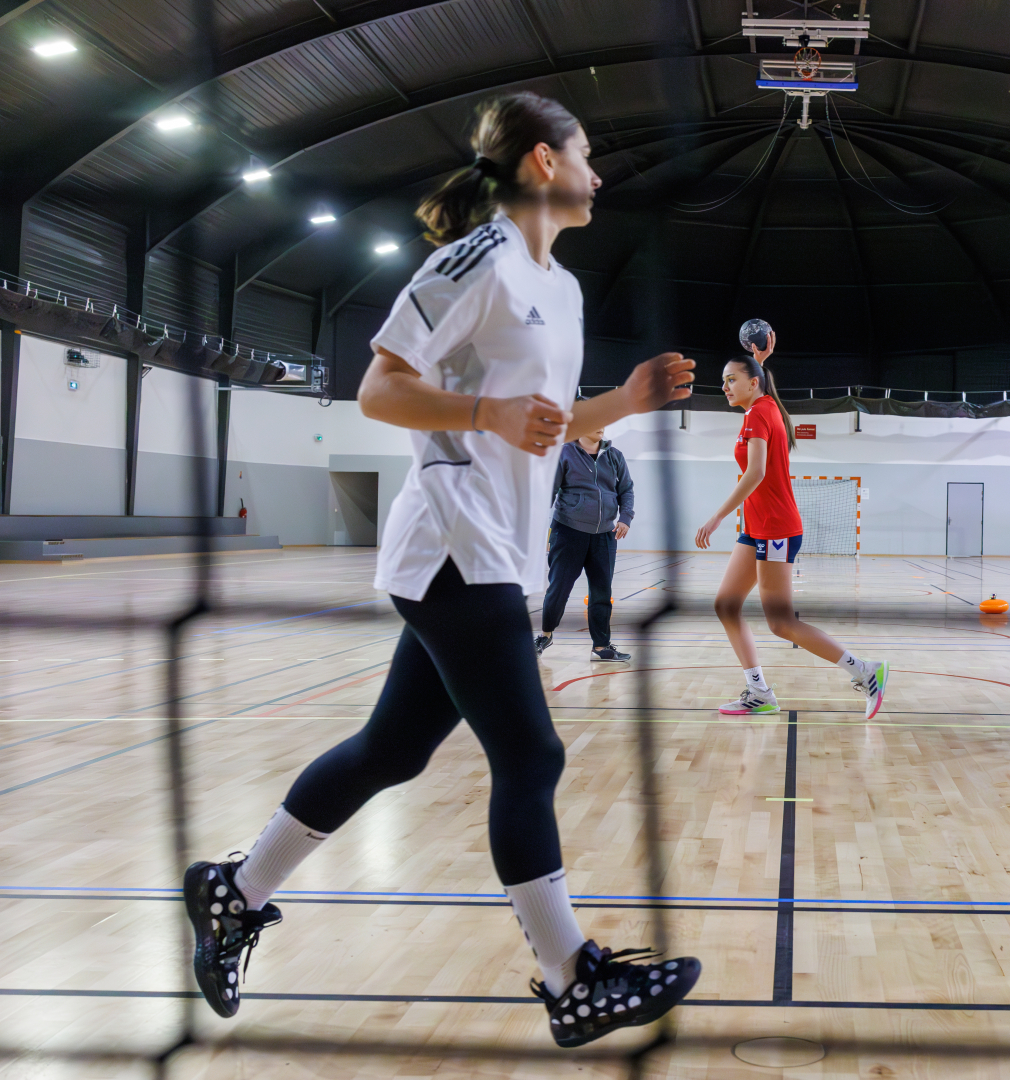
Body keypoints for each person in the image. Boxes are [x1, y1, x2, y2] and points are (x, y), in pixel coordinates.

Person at [182, 92, 703, 1047]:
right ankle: (568, 977)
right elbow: (380, 387)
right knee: (532, 756)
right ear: (543, 163)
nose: (601, 172)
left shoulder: (564, 288)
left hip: (500, 541)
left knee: (392, 750)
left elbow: (548, 427)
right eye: (587, 152)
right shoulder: (476, 260)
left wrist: (620, 402)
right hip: (454, 542)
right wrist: (483, 416)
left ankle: (235, 890)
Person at [694, 333, 889, 719]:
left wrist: (716, 516)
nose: (724, 386)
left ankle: (865, 672)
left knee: (780, 622)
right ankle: (758, 691)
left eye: (732, 379)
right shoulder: (764, 408)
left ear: (753, 384)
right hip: (758, 526)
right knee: (726, 605)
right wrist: (760, 362)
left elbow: (756, 472)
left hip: (776, 529)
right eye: (722, 380)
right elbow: (759, 398)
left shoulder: (759, 413)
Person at [535, 425, 634, 662]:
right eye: (596, 420)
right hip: (568, 531)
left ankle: (601, 647)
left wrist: (625, 519)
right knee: (559, 589)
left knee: (602, 592)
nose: (601, 426)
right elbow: (549, 491)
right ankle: (545, 635)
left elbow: (626, 490)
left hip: (604, 535)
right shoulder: (564, 453)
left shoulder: (614, 455)